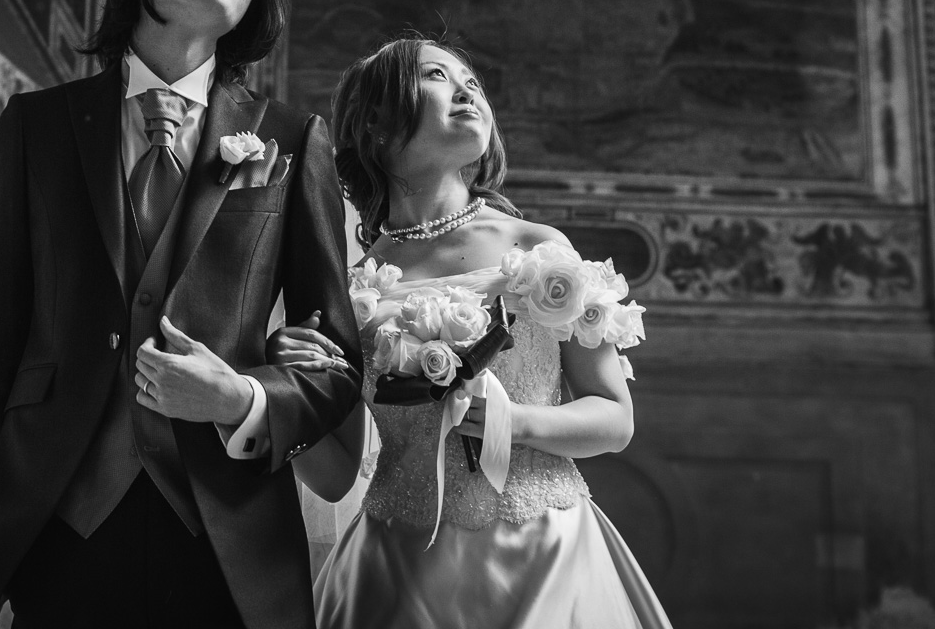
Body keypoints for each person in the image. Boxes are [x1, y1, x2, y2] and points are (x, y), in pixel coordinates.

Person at [0, 0, 363, 629]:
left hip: (230, 539)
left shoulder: (291, 139)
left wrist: (240, 399)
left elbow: (338, 363)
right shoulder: (36, 128)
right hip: (58, 527)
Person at [269, 35, 671, 629]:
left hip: (544, 560)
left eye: (473, 83)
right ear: (375, 121)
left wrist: (514, 422)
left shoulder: (539, 252)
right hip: (397, 575)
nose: (467, 91)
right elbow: (334, 477)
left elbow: (615, 419)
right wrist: (287, 397)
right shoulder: (354, 292)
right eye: (436, 75)